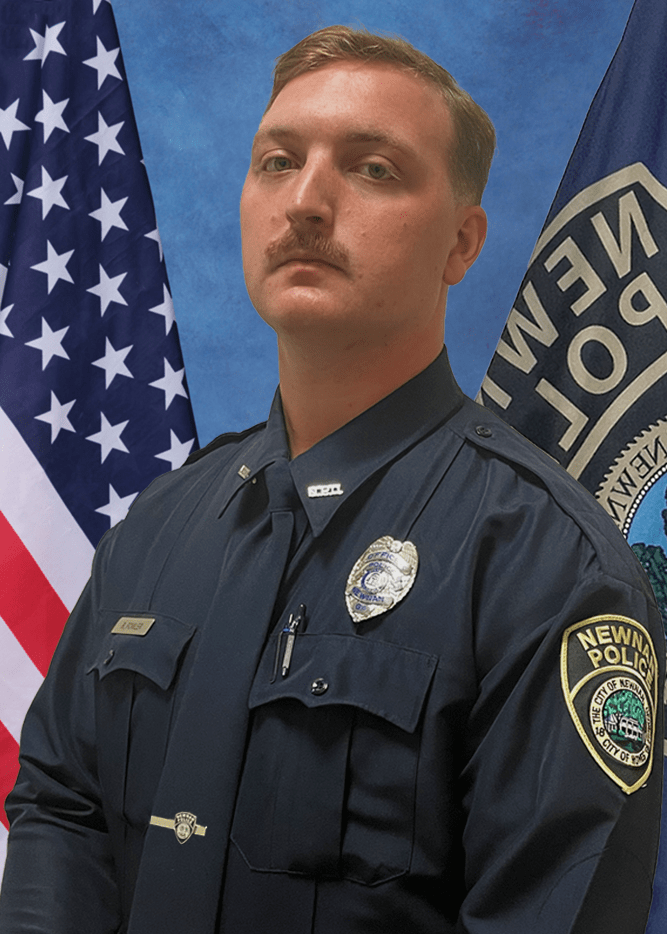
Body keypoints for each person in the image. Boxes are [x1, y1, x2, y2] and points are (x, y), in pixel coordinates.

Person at [0, 25, 663, 934]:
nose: (306, 201)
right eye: (277, 162)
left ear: (461, 243)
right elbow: (62, 803)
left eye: (373, 169)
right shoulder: (159, 524)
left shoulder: (549, 567)